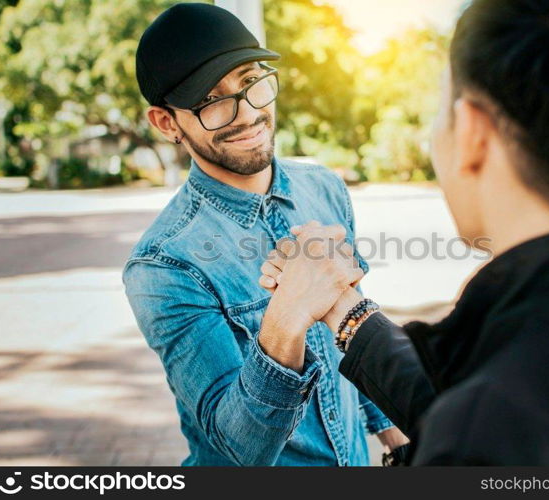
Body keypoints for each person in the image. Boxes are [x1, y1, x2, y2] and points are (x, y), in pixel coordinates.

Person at [258, 0, 549, 465]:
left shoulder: (483, 433)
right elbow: (477, 400)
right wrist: (345, 310)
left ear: (472, 133)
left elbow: (488, 418)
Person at [123, 3, 406, 466]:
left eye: (252, 82)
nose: (247, 114)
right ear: (167, 123)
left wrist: (397, 436)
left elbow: (349, 340)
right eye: (212, 100)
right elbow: (241, 447)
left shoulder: (325, 188)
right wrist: (287, 315)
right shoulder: (164, 264)